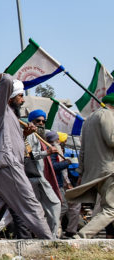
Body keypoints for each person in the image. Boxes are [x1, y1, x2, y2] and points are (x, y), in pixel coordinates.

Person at [0, 74, 52, 241]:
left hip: (4, 166)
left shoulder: (9, 115)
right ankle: (51, 241)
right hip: (8, 165)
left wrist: (24, 135)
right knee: (32, 205)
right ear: (10, 95)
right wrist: (4, 77)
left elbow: (10, 140)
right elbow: (7, 82)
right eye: (20, 96)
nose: (22, 100)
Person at [66, 94, 114, 238]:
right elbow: (112, 140)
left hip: (95, 172)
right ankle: (82, 236)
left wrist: (81, 172)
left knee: (105, 208)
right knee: (111, 209)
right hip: (109, 170)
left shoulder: (89, 120)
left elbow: (83, 150)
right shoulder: (107, 115)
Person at [25, 109, 62, 238]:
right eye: (37, 121)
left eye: (43, 121)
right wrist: (47, 152)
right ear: (31, 121)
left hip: (39, 177)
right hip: (32, 177)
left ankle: (51, 237)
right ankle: (51, 237)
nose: (41, 123)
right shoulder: (29, 135)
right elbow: (28, 156)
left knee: (51, 206)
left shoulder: (41, 135)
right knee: (51, 205)